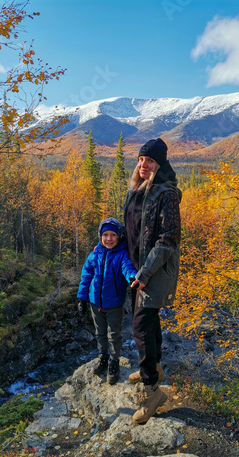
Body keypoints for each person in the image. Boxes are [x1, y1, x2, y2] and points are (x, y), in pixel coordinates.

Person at [124, 138, 181, 424]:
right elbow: (130, 230)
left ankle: (152, 391)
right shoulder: (135, 190)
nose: (144, 165)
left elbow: (167, 240)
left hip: (154, 270)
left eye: (151, 161)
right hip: (136, 269)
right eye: (141, 160)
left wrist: (144, 273)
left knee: (140, 324)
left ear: (160, 165)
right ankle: (156, 367)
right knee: (149, 319)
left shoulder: (166, 194)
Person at [77, 217, 137, 385]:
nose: (109, 239)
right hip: (95, 303)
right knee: (100, 333)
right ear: (100, 236)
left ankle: (113, 362)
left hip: (115, 305)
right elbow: (86, 276)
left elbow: (127, 267)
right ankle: (103, 357)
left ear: (119, 237)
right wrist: (82, 297)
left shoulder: (122, 254)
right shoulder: (94, 254)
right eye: (105, 235)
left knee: (114, 335)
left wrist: (132, 277)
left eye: (113, 235)